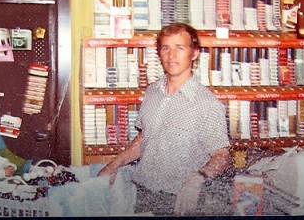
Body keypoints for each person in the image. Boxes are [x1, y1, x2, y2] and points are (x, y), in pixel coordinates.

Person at [98, 22, 231, 216]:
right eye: (166, 48)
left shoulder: (207, 104)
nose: (172, 55)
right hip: (142, 194)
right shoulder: (153, 91)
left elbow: (222, 155)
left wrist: (198, 178)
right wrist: (114, 165)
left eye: (180, 48)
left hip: (180, 202)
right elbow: (144, 138)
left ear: (194, 53)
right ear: (159, 53)